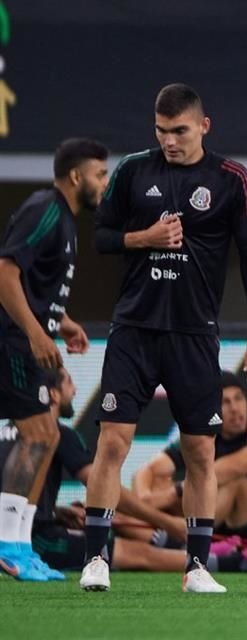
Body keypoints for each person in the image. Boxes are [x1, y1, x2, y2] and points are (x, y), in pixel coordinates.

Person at [82, 83, 247, 593]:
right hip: (135, 331)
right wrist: (144, 238)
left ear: (203, 126)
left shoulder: (232, 179)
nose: (169, 141)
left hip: (194, 336)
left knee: (201, 453)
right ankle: (96, 559)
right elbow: (101, 236)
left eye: (180, 131)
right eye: (162, 131)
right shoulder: (133, 171)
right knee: (112, 442)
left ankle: (197, 568)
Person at [0, 138, 107, 581]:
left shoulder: (64, 220)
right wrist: (33, 331)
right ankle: (8, 544)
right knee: (40, 433)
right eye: (100, 174)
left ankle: (21, 545)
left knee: (46, 435)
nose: (105, 183)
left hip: (29, 339)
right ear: (77, 176)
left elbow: (38, 286)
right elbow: (6, 272)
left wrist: (62, 323)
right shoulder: (45, 208)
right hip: (13, 342)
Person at [1, 367, 200, 575]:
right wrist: (167, 523)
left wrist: (56, 512)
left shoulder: (7, 432)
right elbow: (101, 484)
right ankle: (225, 561)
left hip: (20, 531)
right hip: (36, 539)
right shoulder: (57, 434)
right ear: (53, 394)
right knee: (134, 552)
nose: (75, 390)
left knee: (108, 526)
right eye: (69, 383)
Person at [134, 371, 247, 573]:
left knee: (229, 479)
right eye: (226, 402)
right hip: (223, 533)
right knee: (159, 481)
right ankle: (179, 540)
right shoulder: (207, 436)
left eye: (238, 399)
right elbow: (149, 470)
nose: (235, 408)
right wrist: (144, 500)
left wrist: (173, 494)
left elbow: (238, 466)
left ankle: (183, 539)